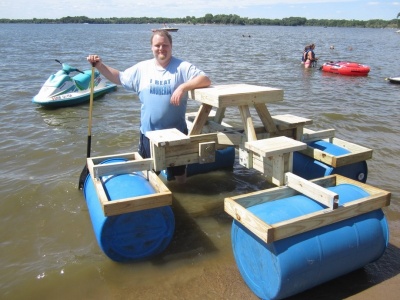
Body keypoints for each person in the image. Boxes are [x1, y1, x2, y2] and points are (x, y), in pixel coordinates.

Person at [87, 30, 211, 184]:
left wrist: (182, 87)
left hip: (177, 133)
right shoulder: (142, 68)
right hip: (149, 134)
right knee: (147, 174)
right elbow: (118, 77)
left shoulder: (182, 67)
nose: (161, 49)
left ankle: (180, 192)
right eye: (157, 45)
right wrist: (99, 65)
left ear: (171, 46)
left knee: (180, 173)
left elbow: (205, 79)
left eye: (165, 45)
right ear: (151, 47)